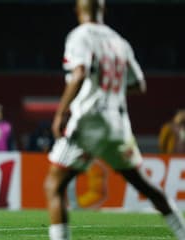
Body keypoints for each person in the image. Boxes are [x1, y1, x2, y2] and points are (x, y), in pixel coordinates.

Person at [44, 1, 185, 240]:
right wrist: (112, 90)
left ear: (78, 10)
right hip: (118, 124)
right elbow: (139, 84)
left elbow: (79, 73)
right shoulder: (120, 42)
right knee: (144, 185)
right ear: (103, 10)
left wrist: (60, 112)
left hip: (88, 121)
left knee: (54, 186)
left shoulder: (79, 36)